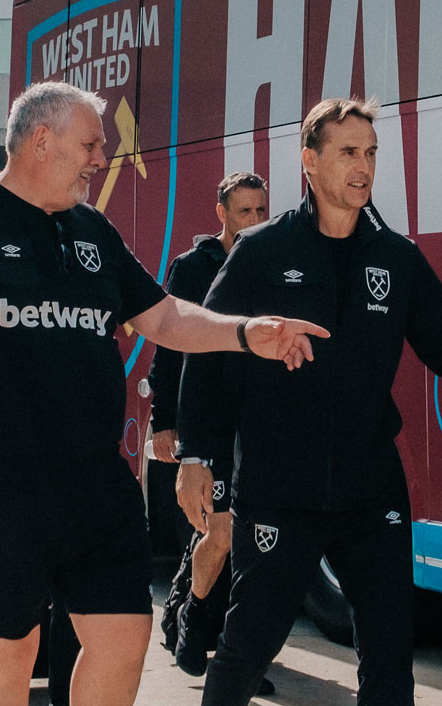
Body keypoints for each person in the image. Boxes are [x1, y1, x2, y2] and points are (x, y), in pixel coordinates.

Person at [0, 81, 327, 706]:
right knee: (7, 654)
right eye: (91, 144)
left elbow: (165, 318)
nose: (101, 160)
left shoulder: (92, 230)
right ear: (42, 141)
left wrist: (247, 333)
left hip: (96, 482)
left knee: (124, 637)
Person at [176, 98, 442, 706]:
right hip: (281, 486)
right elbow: (208, 352)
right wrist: (197, 455)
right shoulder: (262, 251)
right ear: (310, 160)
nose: (364, 167)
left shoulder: (397, 257)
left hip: (370, 489)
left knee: (388, 657)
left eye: (371, 153)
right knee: (248, 646)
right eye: (348, 152)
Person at [144, 173, 274, 686]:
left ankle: (235, 654)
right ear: (221, 214)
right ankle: (193, 614)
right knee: (218, 536)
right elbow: (171, 345)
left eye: (262, 210)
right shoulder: (192, 267)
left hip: (260, 425)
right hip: (209, 424)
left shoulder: (273, 262)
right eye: (245, 212)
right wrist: (165, 422)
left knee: (252, 544)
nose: (255, 221)